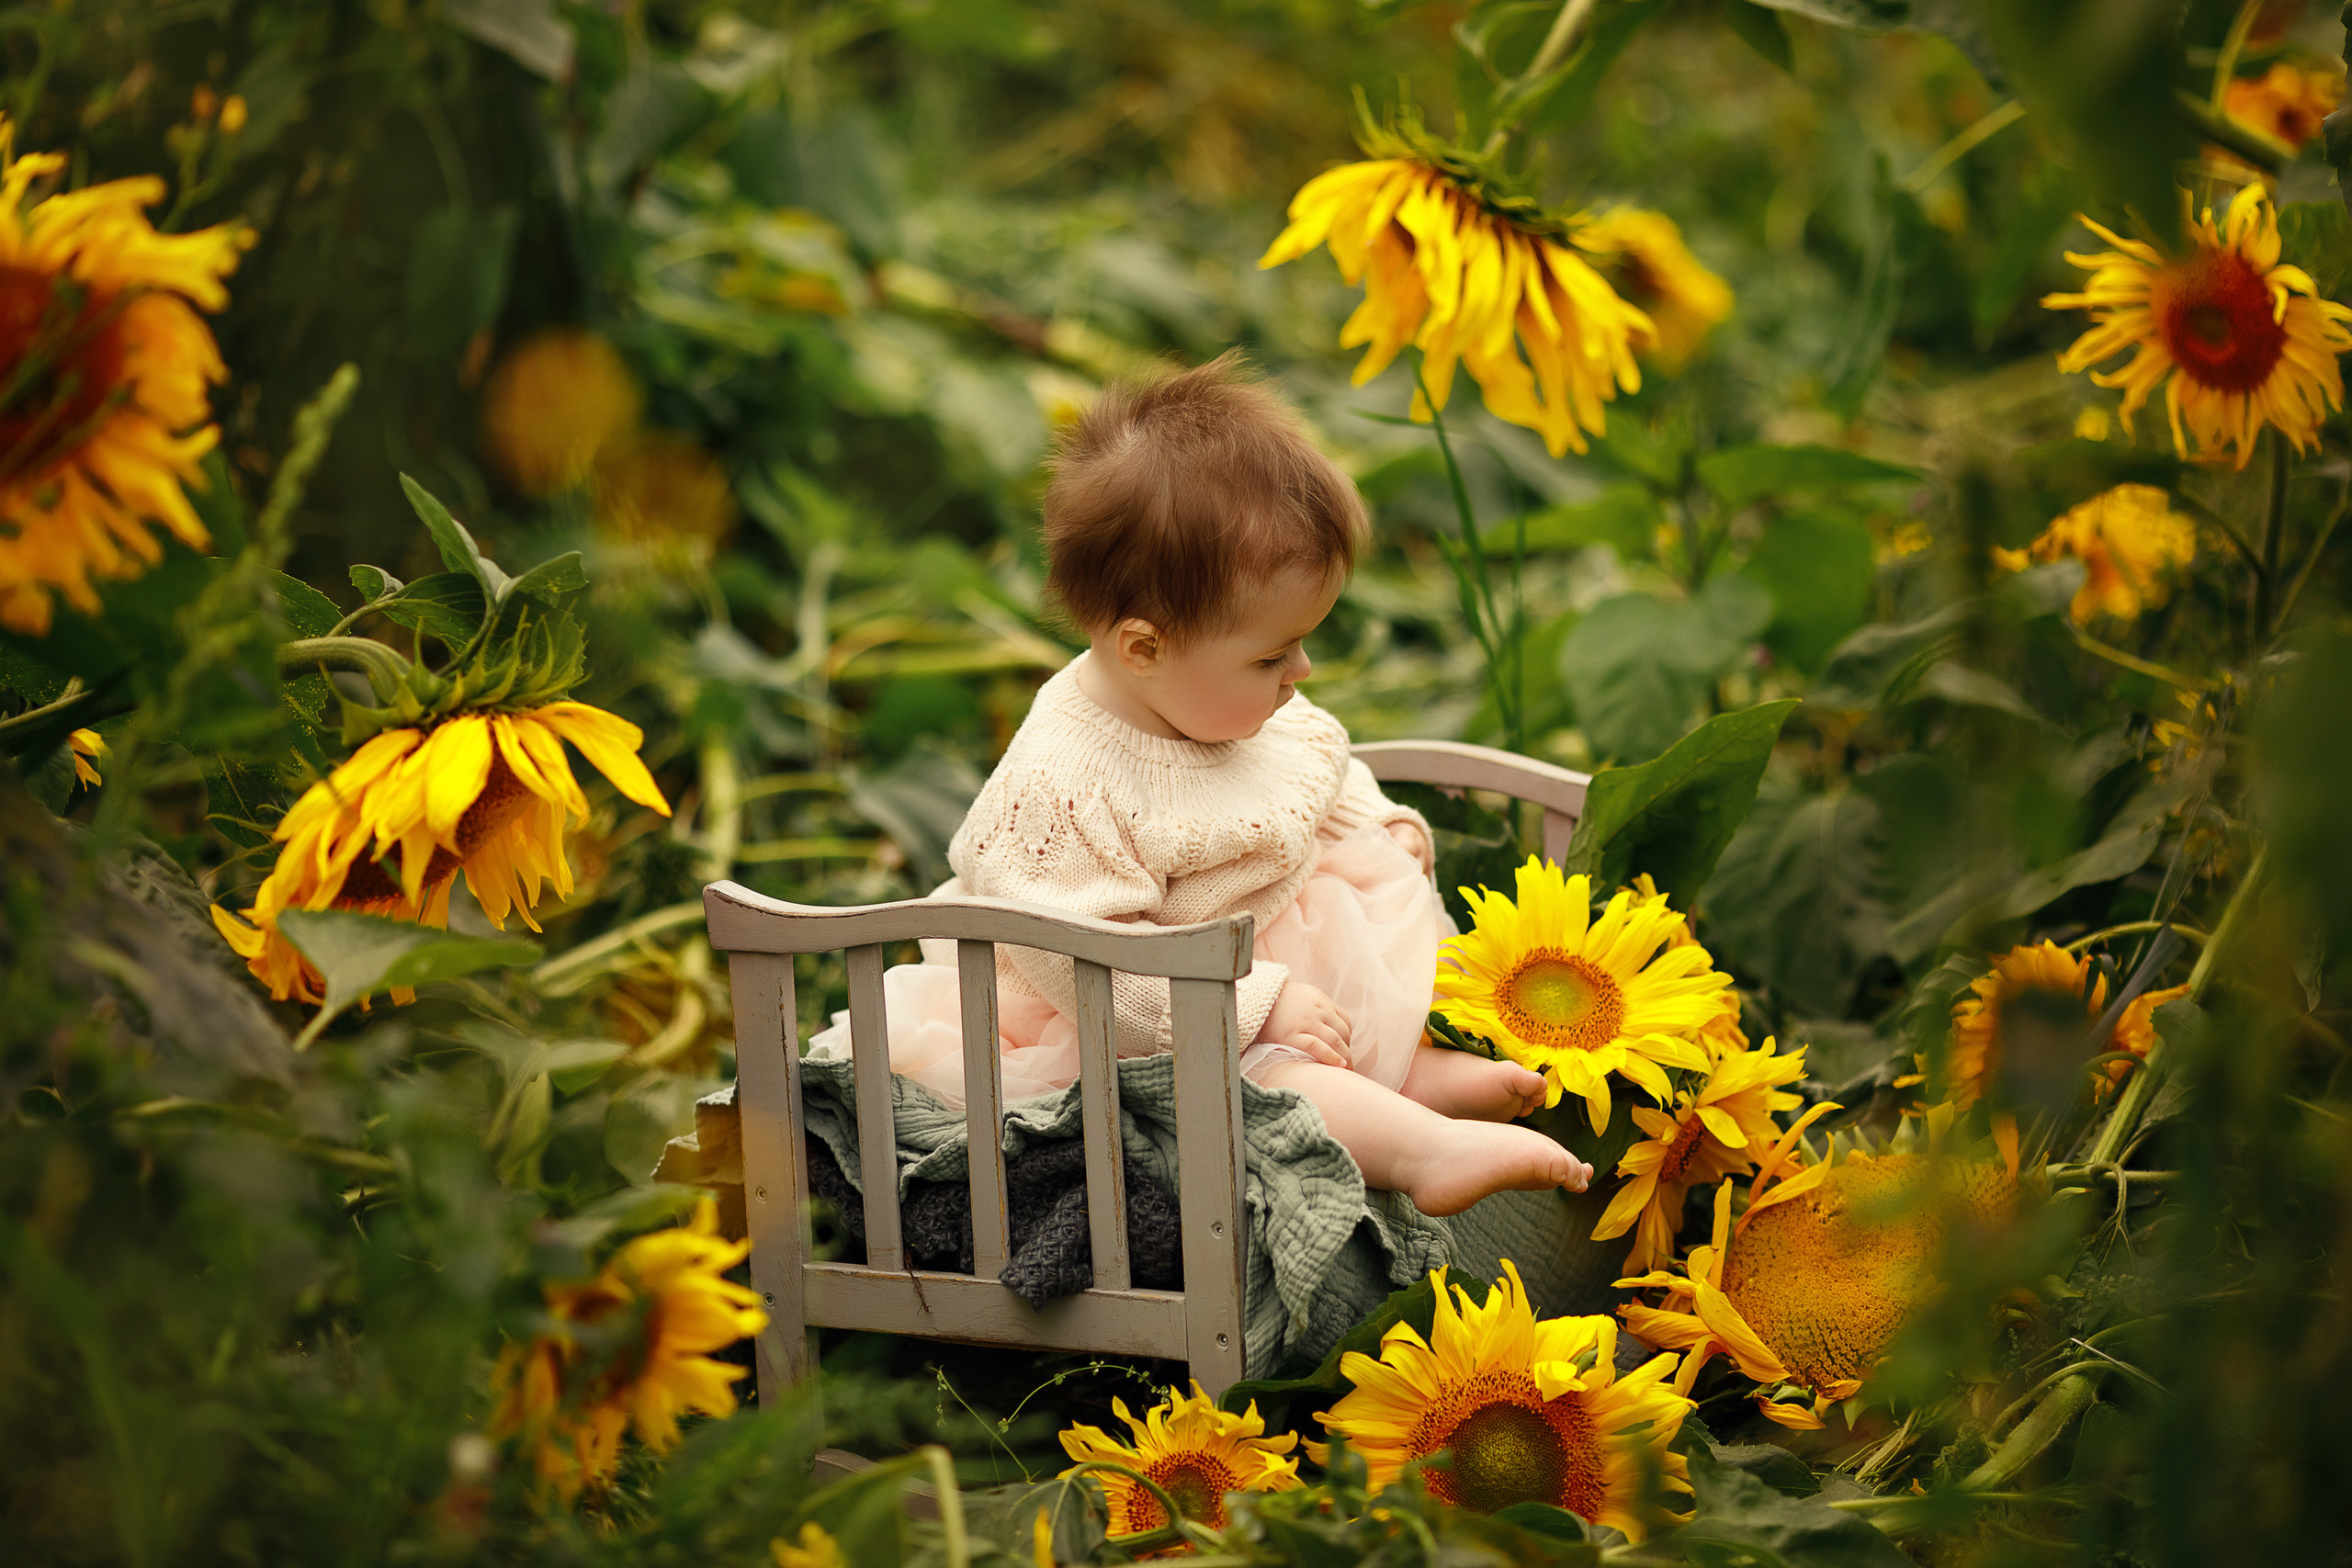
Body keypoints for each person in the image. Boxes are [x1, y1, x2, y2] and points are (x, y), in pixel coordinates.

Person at [805, 351, 1591, 1216]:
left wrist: (1379, 818)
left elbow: (1315, 758)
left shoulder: (1219, 693)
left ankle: (1407, 1074)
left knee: (1352, 956)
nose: (1301, 669)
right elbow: (1087, 960)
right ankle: (1420, 1147)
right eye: (1272, 654)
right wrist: (1252, 1004)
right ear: (1144, 646)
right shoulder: (1064, 786)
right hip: (1130, 1012)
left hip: (1241, 938)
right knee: (1260, 1077)